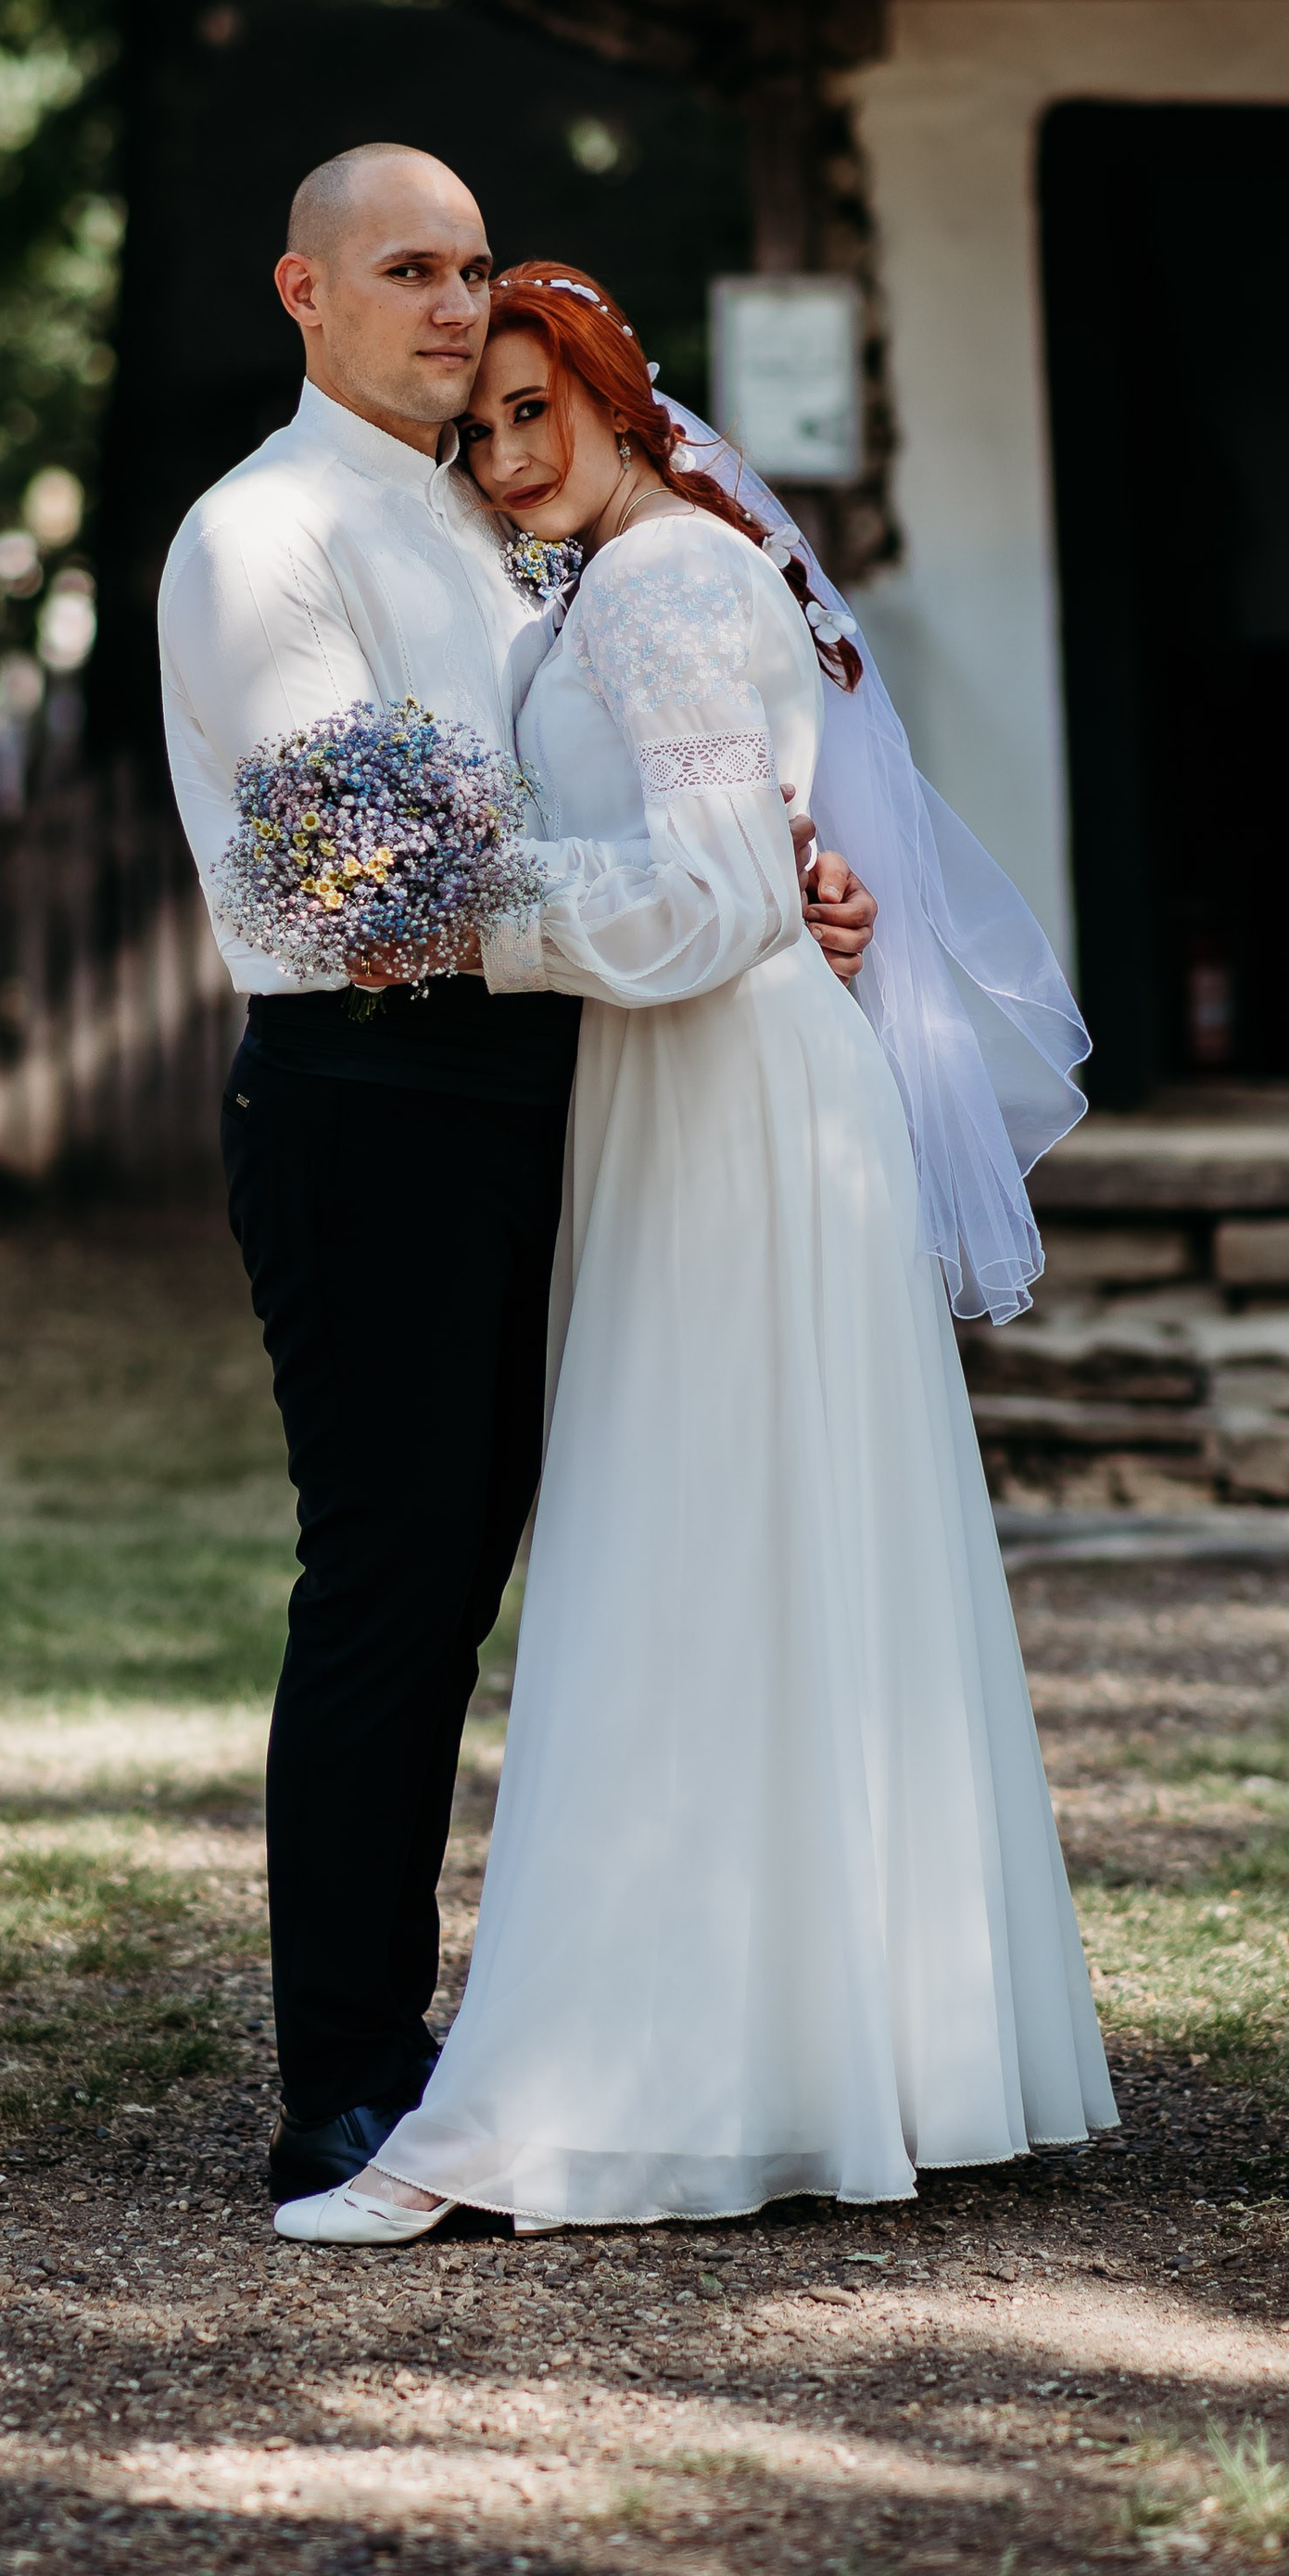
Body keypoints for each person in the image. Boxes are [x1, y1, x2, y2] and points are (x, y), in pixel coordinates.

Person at [274, 262, 1116, 2245]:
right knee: (761, 1555)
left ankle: (619, 2081)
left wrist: (451, 895)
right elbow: (747, 866)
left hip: (723, 1099)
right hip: (706, 1085)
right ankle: (842, 2053)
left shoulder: (655, 582)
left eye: (531, 407)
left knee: (687, 1550)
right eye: (476, 430)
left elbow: (715, 888)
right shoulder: (652, 571)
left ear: (615, 396)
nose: (503, 455)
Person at [157, 148, 877, 2205]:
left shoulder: (508, 523)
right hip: (375, 1098)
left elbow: (615, 780)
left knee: (612, 1575)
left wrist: (753, 891)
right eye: (408, 270)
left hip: (579, 1078)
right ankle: (348, 2075)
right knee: (395, 1583)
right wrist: (697, 910)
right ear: (303, 289)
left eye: (473, 270)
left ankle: (642, 2021)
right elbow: (367, 876)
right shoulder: (258, 540)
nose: (456, 306)